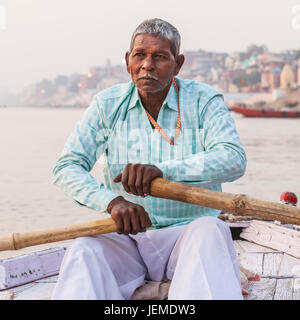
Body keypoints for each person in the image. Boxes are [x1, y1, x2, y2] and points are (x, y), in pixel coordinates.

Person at [51, 18, 247, 300]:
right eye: (140, 55)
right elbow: (67, 167)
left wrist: (163, 171)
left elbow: (233, 158)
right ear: (128, 59)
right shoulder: (107, 104)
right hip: (128, 238)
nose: (147, 65)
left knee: (210, 230)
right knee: (84, 250)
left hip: (189, 235)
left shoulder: (204, 100)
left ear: (178, 64)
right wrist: (112, 202)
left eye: (160, 57)